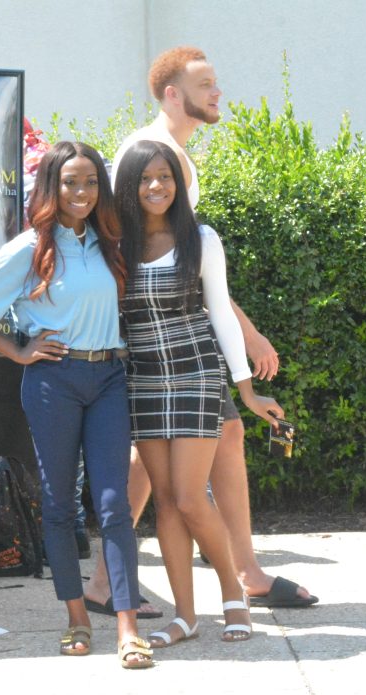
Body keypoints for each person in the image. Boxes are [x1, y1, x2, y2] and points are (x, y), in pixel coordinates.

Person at [83, 46, 318, 616]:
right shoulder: (151, 155)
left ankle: (240, 570)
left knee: (219, 443)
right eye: (205, 84)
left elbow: (192, 264)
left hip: (184, 351)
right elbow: (156, 269)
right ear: (171, 94)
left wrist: (241, 335)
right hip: (162, 354)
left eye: (216, 82)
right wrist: (249, 333)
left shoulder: (175, 156)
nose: (218, 93)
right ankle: (232, 576)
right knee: (166, 469)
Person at [0, 141, 153, 669]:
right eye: (70, 182)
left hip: (109, 376)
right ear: (51, 187)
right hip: (53, 381)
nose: (82, 192)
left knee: (113, 505)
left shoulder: (111, 244)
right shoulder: (30, 248)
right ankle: (76, 619)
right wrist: (19, 351)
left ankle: (127, 628)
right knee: (60, 503)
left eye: (90, 182)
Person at [114, 139, 283, 647]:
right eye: (145, 178)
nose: (156, 186)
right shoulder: (114, 242)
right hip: (142, 381)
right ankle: (185, 616)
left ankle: (233, 595)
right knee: (165, 502)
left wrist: (247, 392)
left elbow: (223, 316)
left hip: (195, 375)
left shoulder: (200, 238)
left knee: (189, 496)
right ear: (129, 186)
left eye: (165, 176)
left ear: (178, 184)